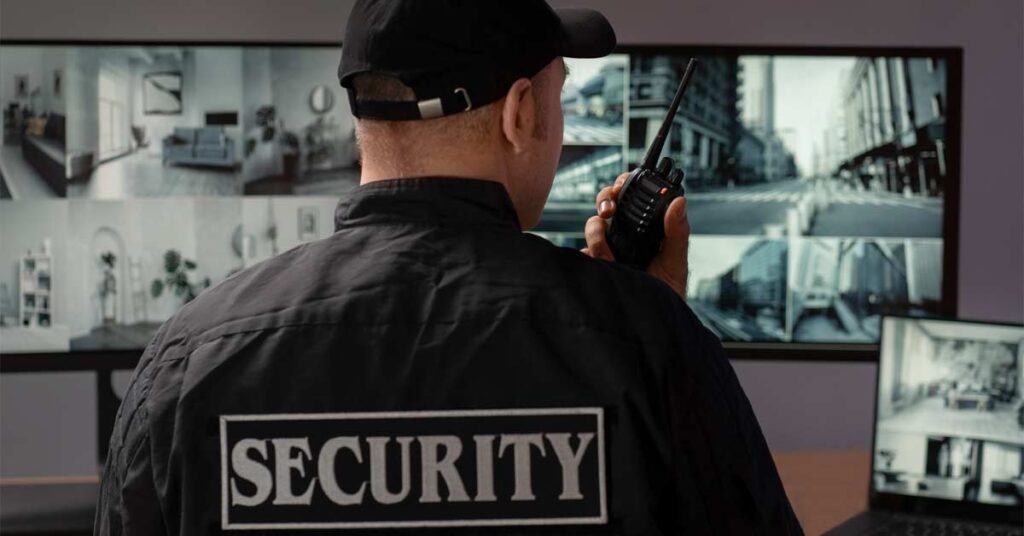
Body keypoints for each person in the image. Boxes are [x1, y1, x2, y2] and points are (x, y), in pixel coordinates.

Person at [95, 1, 801, 534]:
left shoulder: (187, 361)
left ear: (360, 118)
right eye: (556, 93)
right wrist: (650, 323)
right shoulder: (648, 346)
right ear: (521, 113)